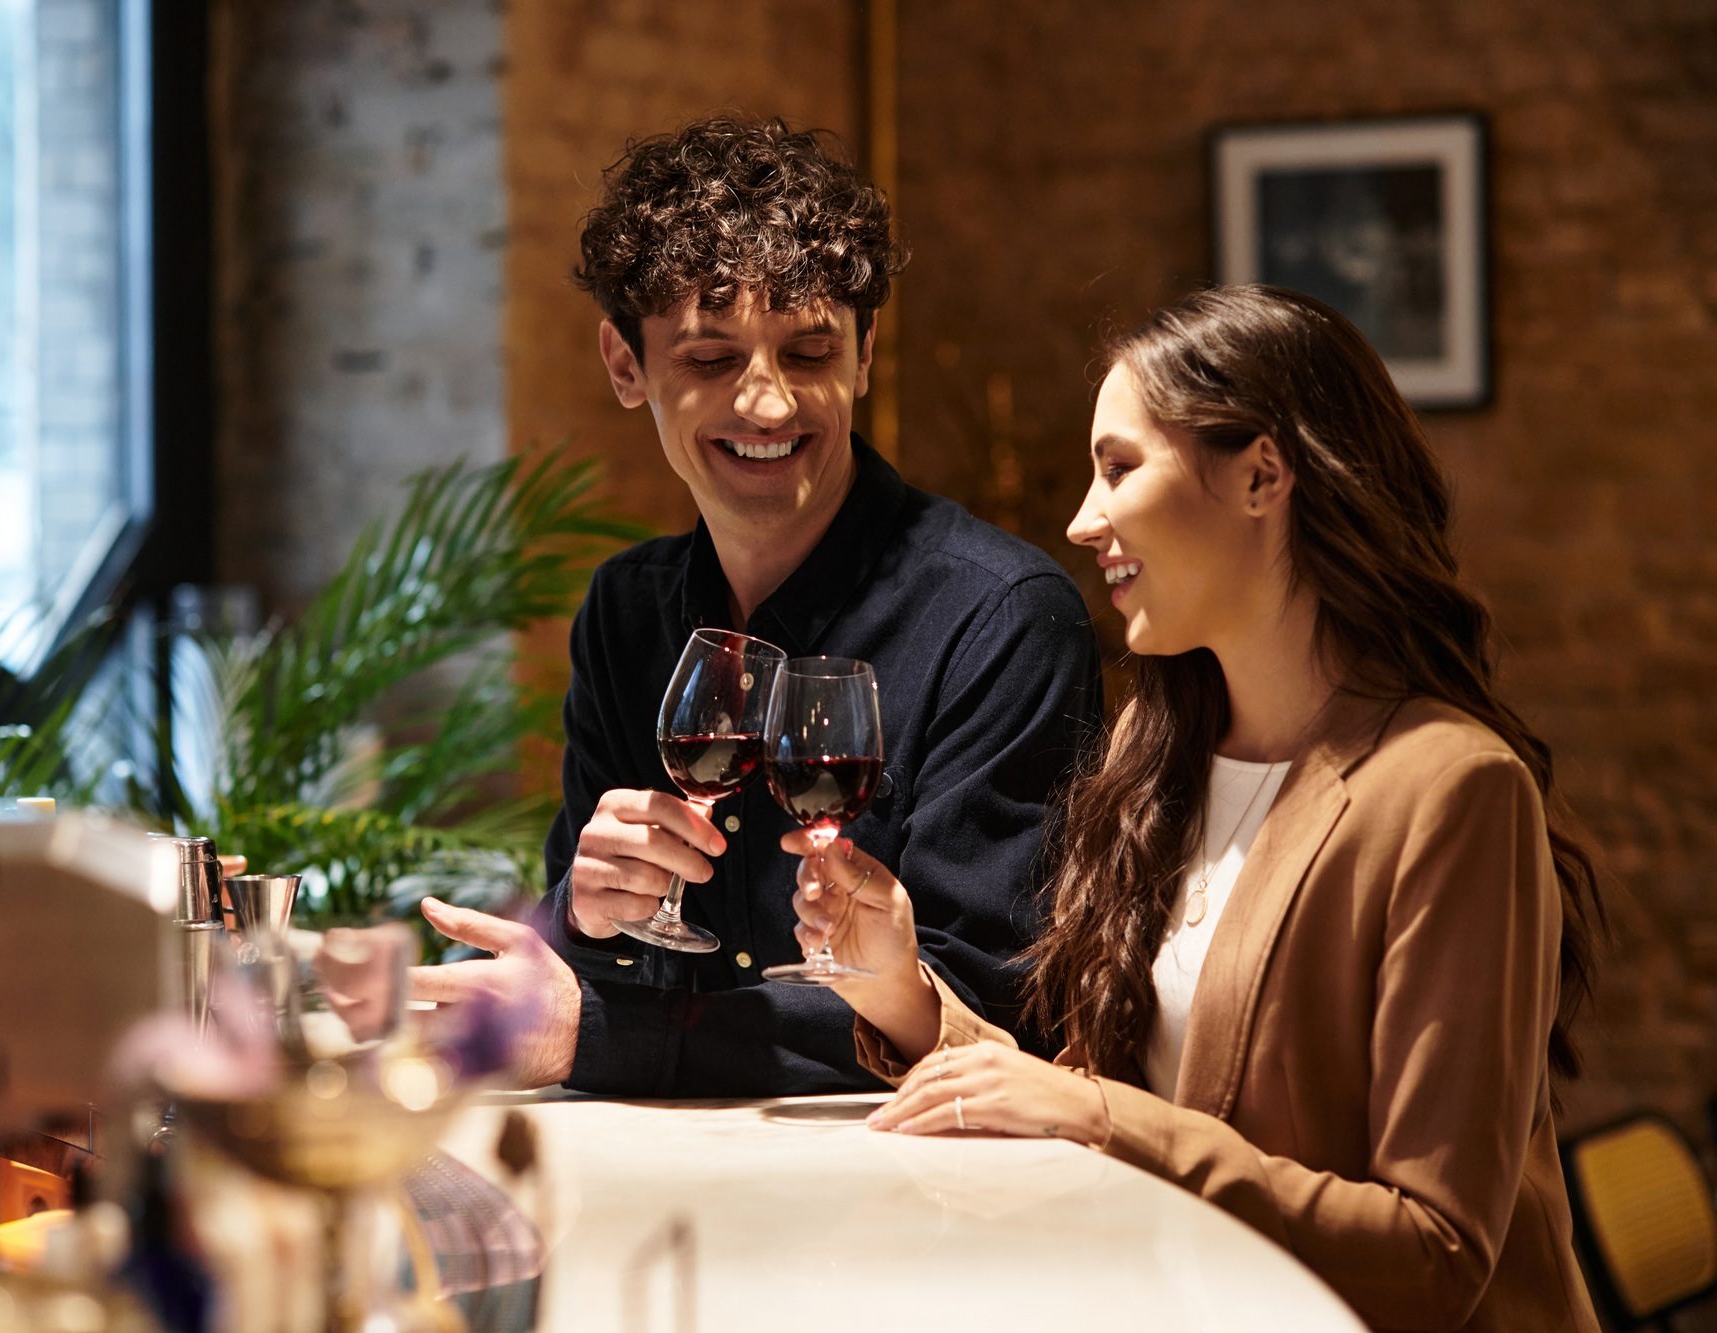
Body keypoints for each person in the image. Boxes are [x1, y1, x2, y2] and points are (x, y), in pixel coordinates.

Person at [792, 285, 1604, 1330]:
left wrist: (1096, 1117)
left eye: (1119, 467)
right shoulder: (1156, 755)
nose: (1082, 519)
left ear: (1261, 475)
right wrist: (900, 991)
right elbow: (1087, 1106)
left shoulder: (1449, 789)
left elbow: (1431, 1256)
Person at [346, 116, 1102, 1097]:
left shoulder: (1000, 618)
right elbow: (590, 979)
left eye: (807, 353)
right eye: (709, 361)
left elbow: (992, 1009)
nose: (767, 405)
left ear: (865, 355)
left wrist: (605, 1034)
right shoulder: (626, 611)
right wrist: (586, 911)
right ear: (625, 366)